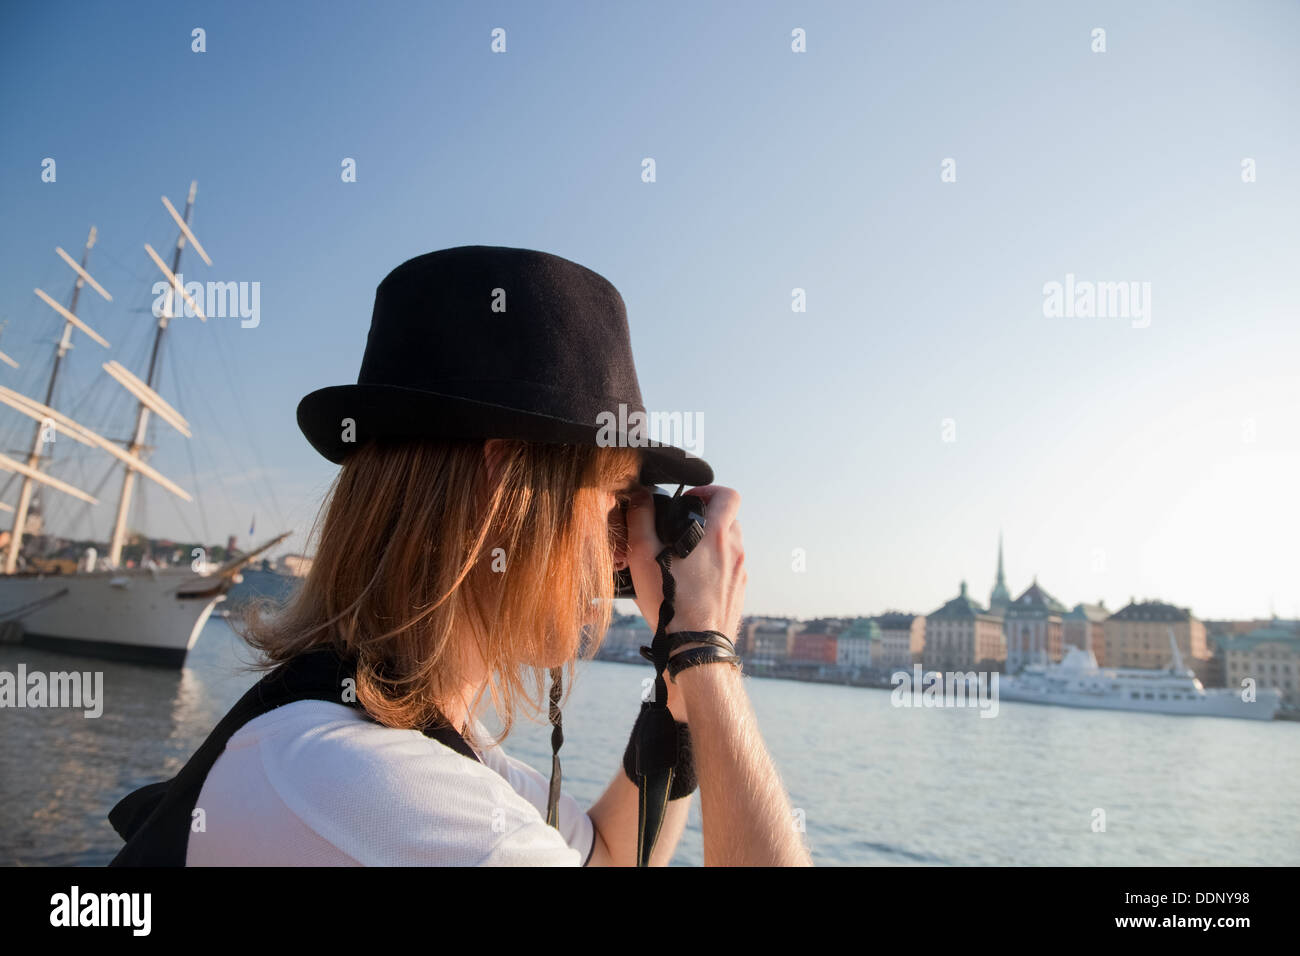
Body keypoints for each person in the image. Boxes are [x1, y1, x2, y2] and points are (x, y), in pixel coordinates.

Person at [184, 245, 812, 866]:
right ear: (507, 490)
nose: (621, 559)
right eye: (618, 506)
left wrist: (680, 694)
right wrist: (707, 655)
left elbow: (615, 855)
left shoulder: (361, 739)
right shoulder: (380, 791)